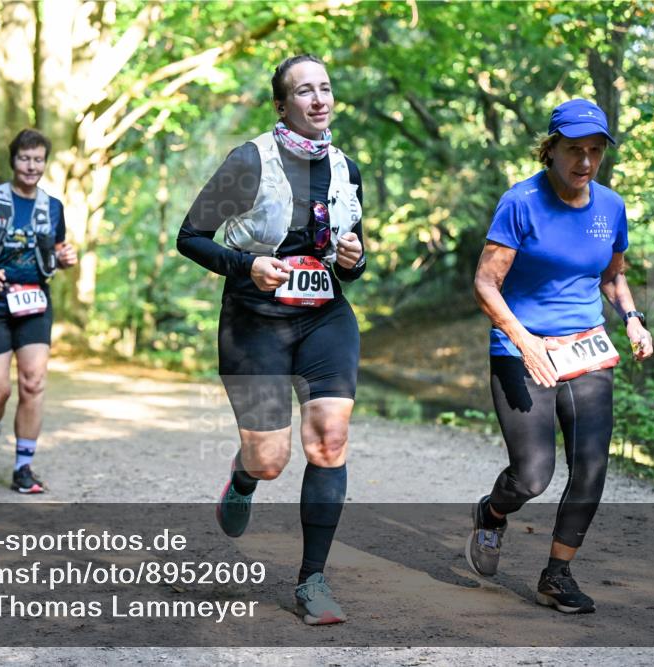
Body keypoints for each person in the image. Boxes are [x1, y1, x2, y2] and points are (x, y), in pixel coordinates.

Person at [177, 54, 366, 625]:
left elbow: (354, 252)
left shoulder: (347, 168)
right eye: (304, 91)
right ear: (283, 104)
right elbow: (191, 238)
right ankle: (243, 477)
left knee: (329, 442)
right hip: (254, 318)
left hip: (324, 316)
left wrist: (356, 259)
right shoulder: (248, 161)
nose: (319, 100)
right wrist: (246, 265)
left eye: (325, 89)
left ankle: (312, 580)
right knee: (269, 460)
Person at [466, 99, 654, 614]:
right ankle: (491, 514)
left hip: (585, 347)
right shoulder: (521, 202)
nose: (586, 162)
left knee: (591, 466)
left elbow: (613, 274)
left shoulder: (610, 207)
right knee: (532, 475)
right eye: (575, 150)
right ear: (551, 149)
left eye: (595, 151)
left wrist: (633, 319)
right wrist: (524, 340)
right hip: (520, 347)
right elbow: (485, 283)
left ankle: (557, 575)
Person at [0, 128, 78, 494]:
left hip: (34, 302)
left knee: (33, 382)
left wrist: (67, 258)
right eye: (25, 158)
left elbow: (56, 253)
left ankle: (24, 466)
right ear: (13, 161)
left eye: (38, 159)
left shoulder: (53, 207)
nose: (31, 166)